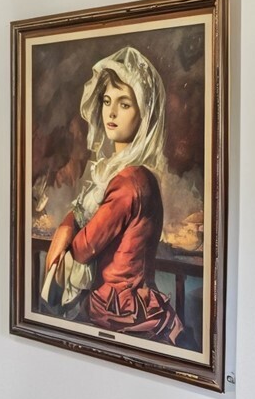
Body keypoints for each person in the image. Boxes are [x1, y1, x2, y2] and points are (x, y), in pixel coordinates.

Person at [43, 46, 192, 347]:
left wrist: (67, 227)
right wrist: (69, 222)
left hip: (120, 312)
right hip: (123, 306)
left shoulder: (130, 181)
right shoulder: (129, 174)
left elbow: (84, 248)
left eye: (124, 104)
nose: (110, 113)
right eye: (107, 101)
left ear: (144, 113)